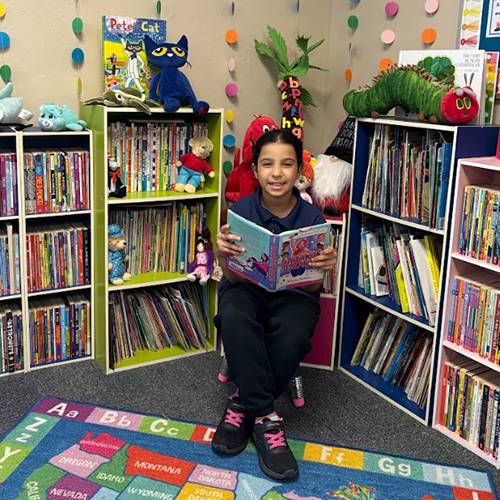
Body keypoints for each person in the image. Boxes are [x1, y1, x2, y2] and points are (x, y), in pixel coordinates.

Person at [211, 129, 337, 481]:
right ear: (255, 170)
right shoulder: (241, 210)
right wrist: (223, 256)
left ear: (300, 171)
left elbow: (312, 286)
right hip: (246, 289)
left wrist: (324, 266)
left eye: (287, 164)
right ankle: (266, 417)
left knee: (296, 331)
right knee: (234, 315)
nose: (277, 173)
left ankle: (242, 403)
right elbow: (232, 278)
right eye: (268, 164)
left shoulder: (313, 220)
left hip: (294, 296)